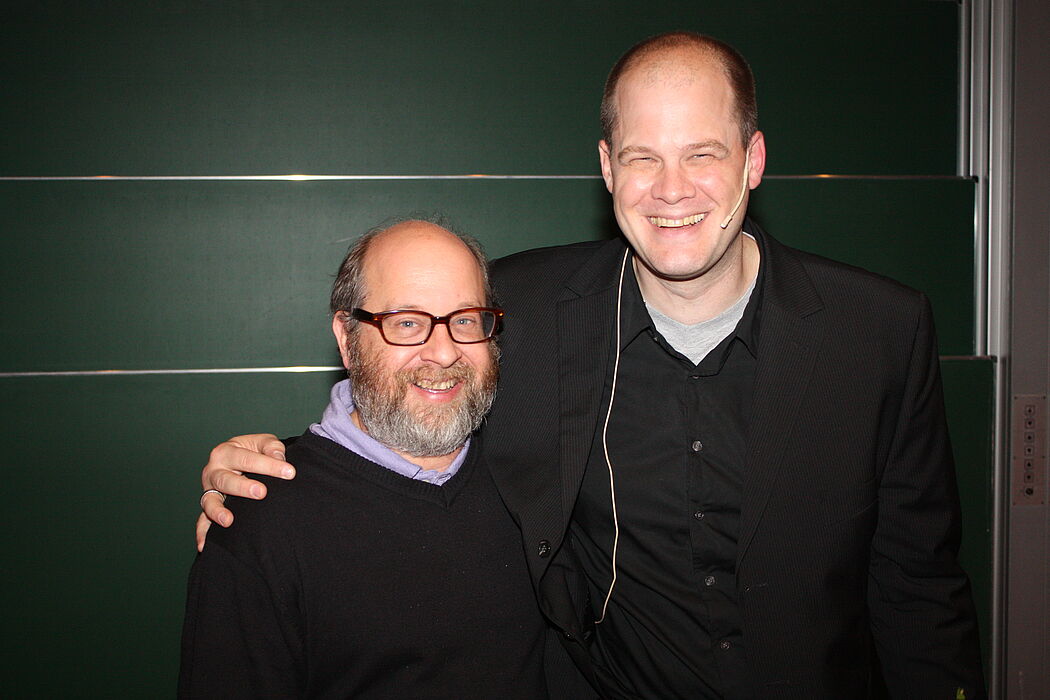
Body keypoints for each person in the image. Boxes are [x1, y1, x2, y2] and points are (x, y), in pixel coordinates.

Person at [196, 33, 986, 699]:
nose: (672, 191)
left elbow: (920, 590)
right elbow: (411, 375)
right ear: (607, 168)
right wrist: (275, 474)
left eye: (702, 154)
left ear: (753, 159)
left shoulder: (879, 332)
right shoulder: (520, 311)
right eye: (643, 158)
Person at [179, 220, 554, 699]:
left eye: (464, 319)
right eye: (406, 323)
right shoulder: (260, 522)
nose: (442, 352)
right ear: (346, 338)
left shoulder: (536, 479)